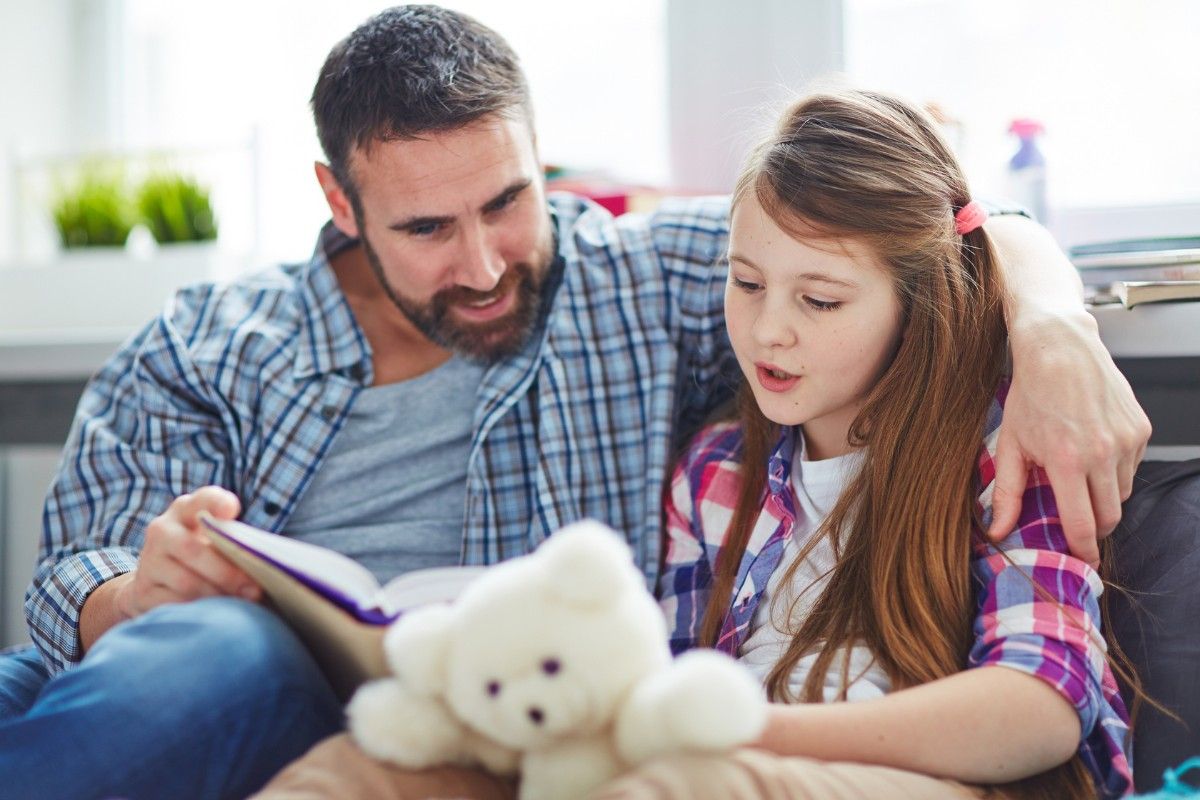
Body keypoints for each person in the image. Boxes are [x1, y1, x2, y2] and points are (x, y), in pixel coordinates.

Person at [0, 6, 1157, 799]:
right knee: (207, 653)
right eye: (426, 229)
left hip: (522, 720)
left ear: (542, 158)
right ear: (338, 201)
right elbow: (67, 575)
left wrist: (1051, 326)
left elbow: (932, 228)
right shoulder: (209, 343)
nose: (489, 263)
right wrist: (127, 594)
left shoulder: (652, 279)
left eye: (507, 201)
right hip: (195, 677)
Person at [250, 89, 1139, 800]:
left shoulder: (1002, 449)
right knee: (368, 772)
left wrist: (735, 727)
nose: (768, 332)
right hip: (708, 757)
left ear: (922, 296)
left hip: (910, 776)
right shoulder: (716, 472)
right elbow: (669, 673)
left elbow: (1044, 704)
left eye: (819, 301)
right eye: (746, 283)